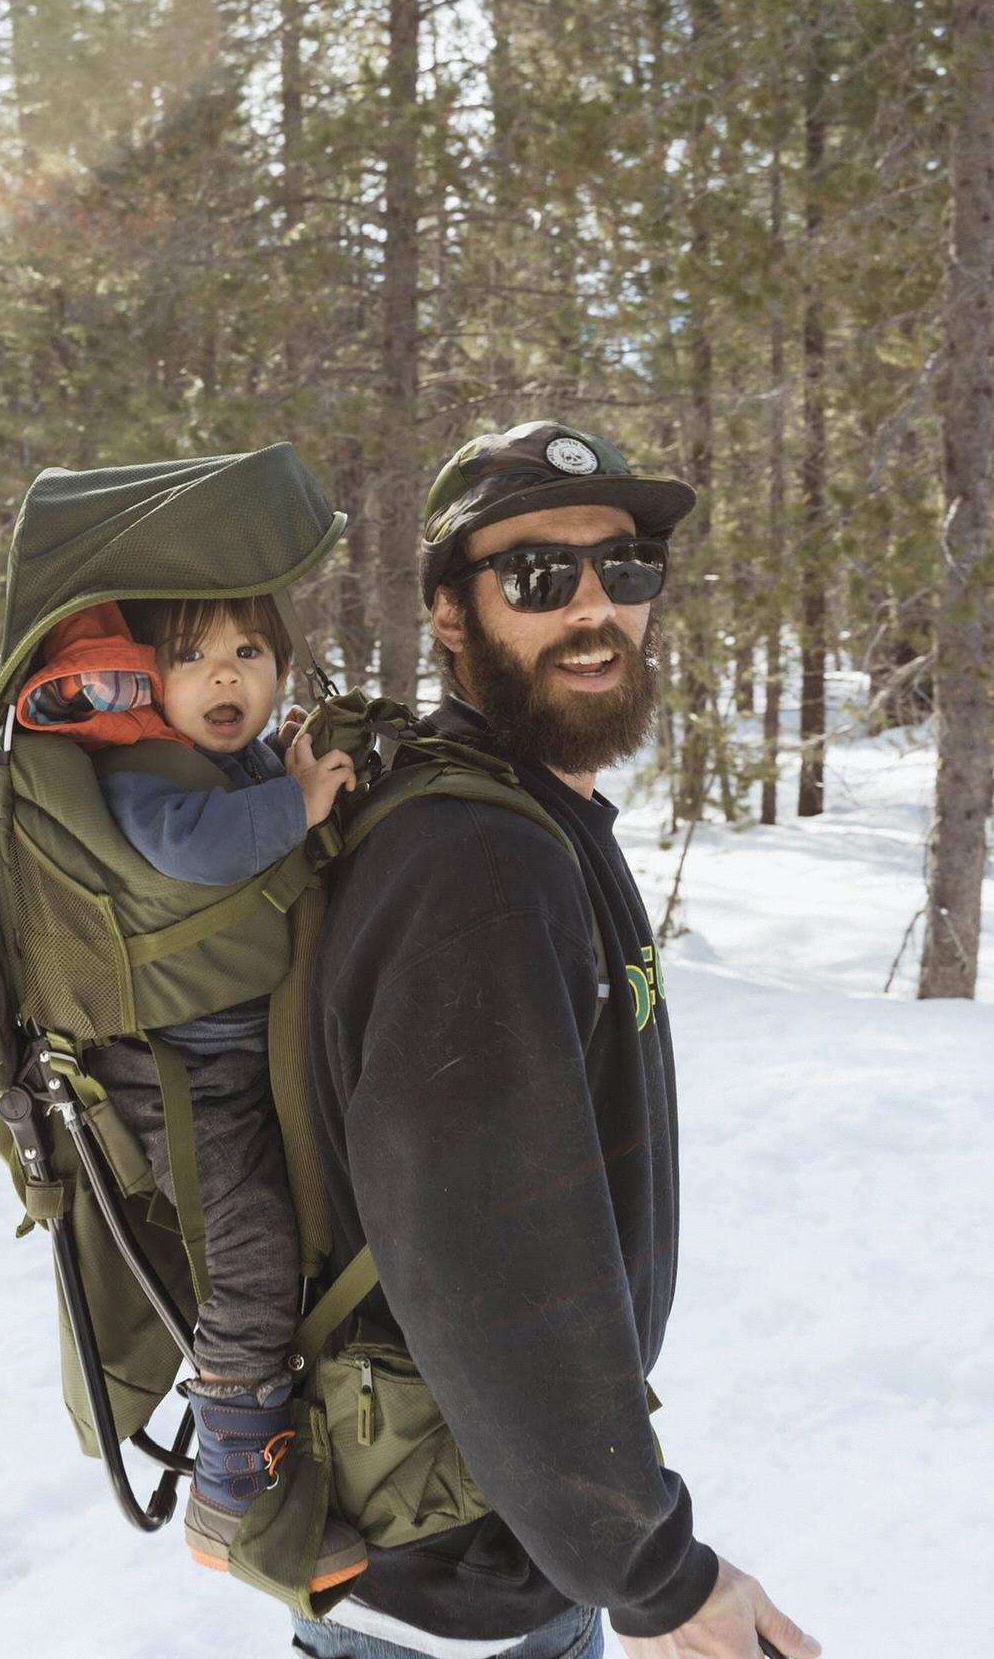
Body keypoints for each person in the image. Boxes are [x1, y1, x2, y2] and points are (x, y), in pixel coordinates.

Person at [292, 422, 822, 1659]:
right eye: (536, 574)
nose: (594, 607)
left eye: (624, 567)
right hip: (449, 1589)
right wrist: (654, 1575)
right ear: (448, 611)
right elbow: (490, 1264)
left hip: (493, 1540)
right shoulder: (474, 860)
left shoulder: (525, 810)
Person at [16, 590, 365, 1591]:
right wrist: (297, 803)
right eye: (190, 655)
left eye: (249, 650)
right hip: (172, 1074)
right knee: (252, 1248)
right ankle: (232, 1487)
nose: (224, 674)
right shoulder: (139, 769)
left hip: (235, 1058)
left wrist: (288, 771)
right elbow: (194, 846)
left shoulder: (234, 760)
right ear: (143, 682)